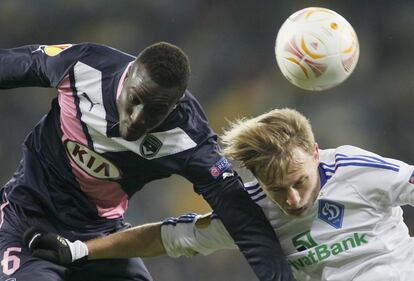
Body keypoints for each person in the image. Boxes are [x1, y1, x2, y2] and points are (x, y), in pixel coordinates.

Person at [0, 43, 294, 281]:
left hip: (100, 240)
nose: (138, 118)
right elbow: (17, 64)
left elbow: (242, 217)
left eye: (155, 110)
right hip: (25, 219)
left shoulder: (188, 137)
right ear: (126, 76)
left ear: (175, 105)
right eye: (136, 99)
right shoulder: (83, 65)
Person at [25, 107, 414, 281]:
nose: (293, 200)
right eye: (278, 190)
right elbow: (169, 236)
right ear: (259, 181)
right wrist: (83, 250)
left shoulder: (357, 171)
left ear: (315, 154)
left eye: (300, 182)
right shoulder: (254, 211)